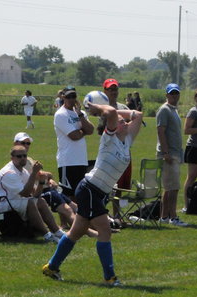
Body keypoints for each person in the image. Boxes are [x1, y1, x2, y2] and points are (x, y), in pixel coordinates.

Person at [43, 103, 143, 285]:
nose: (126, 123)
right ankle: (109, 277)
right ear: (112, 126)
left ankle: (51, 267)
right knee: (105, 230)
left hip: (97, 192)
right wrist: (95, 108)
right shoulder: (109, 138)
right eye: (121, 122)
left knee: (76, 232)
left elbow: (138, 115)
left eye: (125, 121)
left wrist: (118, 115)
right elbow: (110, 112)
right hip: (90, 189)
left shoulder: (127, 140)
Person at [0, 144, 65, 242]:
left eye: (25, 156)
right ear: (12, 158)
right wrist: (34, 173)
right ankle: (47, 235)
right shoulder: (9, 173)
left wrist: (41, 182)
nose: (23, 158)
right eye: (19, 156)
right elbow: (25, 194)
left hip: (10, 200)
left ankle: (57, 232)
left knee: (40, 201)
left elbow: (35, 195)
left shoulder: (23, 171)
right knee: (30, 202)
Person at [97, 78, 132, 224]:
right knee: (108, 183)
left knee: (120, 186)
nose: (113, 92)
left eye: (115, 89)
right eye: (110, 89)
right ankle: (103, 214)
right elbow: (100, 130)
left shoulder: (123, 107)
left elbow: (132, 124)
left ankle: (117, 215)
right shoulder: (103, 109)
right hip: (110, 151)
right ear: (105, 91)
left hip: (124, 149)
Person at [54, 86, 95, 201]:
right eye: (68, 97)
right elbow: (74, 136)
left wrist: (80, 115)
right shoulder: (61, 114)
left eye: (73, 96)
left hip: (81, 160)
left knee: (80, 194)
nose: (71, 99)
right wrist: (83, 131)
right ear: (63, 97)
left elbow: (91, 130)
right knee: (69, 196)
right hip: (67, 161)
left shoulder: (81, 114)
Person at [156, 83, 187, 226]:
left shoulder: (173, 110)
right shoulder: (164, 110)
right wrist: (165, 152)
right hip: (169, 154)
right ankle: (173, 217)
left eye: (176, 93)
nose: (174, 96)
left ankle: (164, 217)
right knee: (172, 188)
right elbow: (161, 131)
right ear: (167, 95)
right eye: (172, 93)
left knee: (171, 187)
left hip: (175, 152)